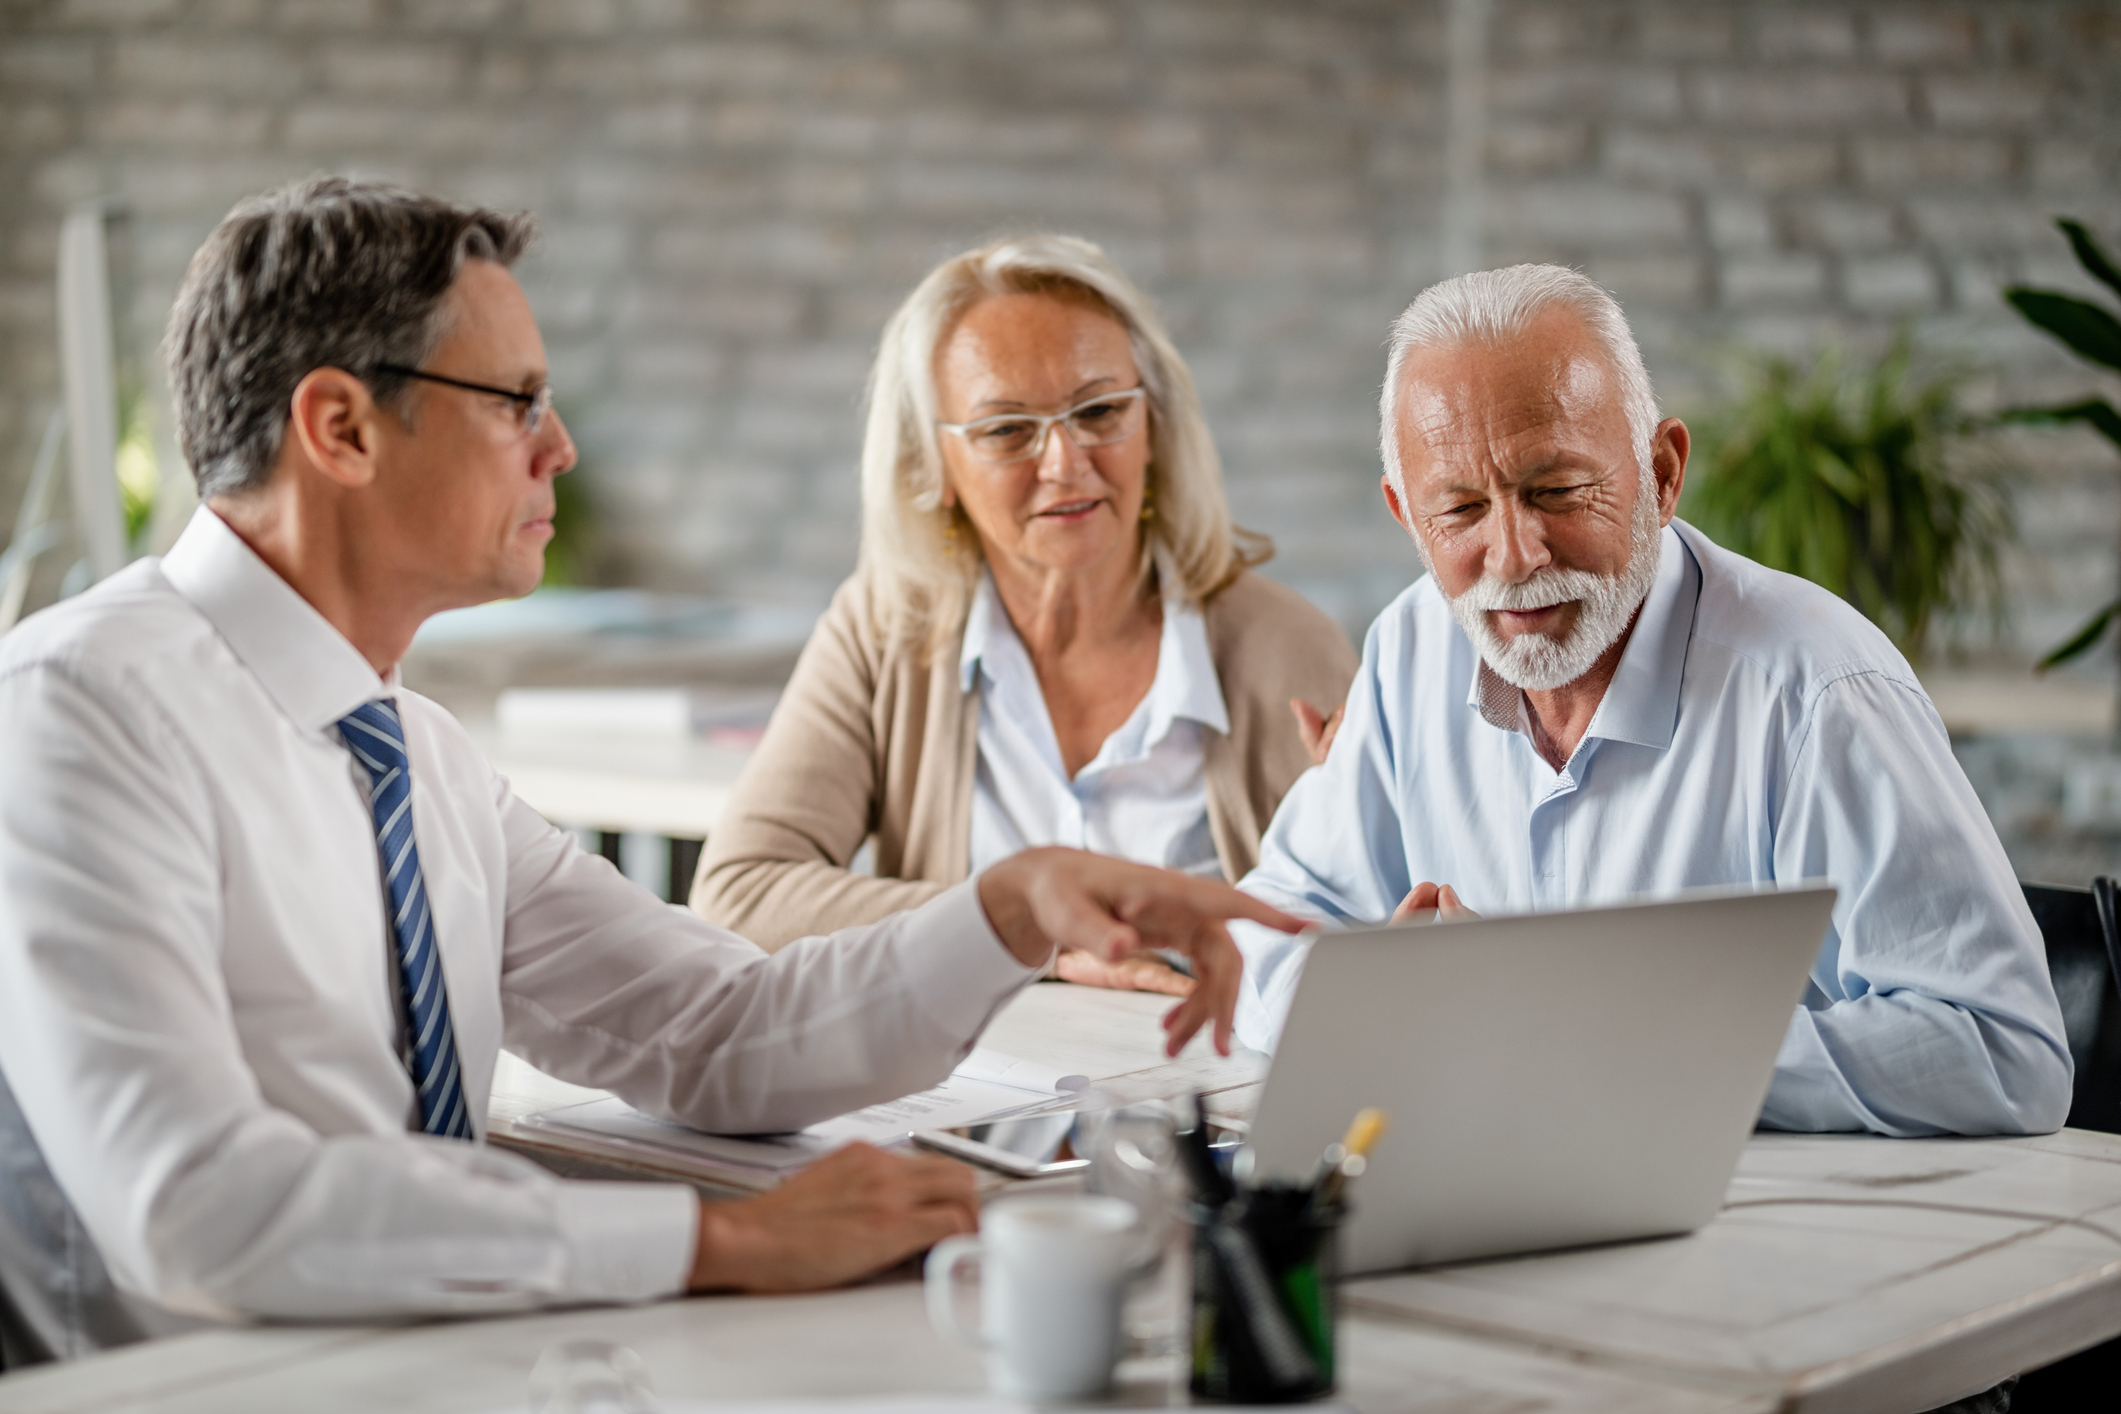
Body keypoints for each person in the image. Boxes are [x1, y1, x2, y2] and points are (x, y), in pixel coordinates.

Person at [0, 178, 1300, 1365]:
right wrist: (718, 1244)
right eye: (516, 402)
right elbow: (195, 1206)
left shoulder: (417, 760)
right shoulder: (80, 706)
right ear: (340, 426)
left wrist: (1015, 908)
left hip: (433, 1364)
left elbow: (722, 1029)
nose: (559, 448)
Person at [1231, 263, 2072, 1138]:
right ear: (1406, 516)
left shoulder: (1817, 688)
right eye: (1460, 510)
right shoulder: (1411, 646)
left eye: (1555, 491)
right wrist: (1375, 1007)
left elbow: (2004, 1051)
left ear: (1662, 474)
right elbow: (1270, 924)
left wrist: (1590, 1033)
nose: (1512, 556)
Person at [688, 235, 1358, 996]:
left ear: (1155, 430)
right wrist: (1029, 926)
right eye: (1006, 429)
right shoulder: (886, 628)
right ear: (930, 466)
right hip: (967, 1100)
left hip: (1202, 1095)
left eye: (1100, 411)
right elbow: (740, 895)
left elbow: (1358, 931)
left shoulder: (1285, 646)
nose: (1064, 464)